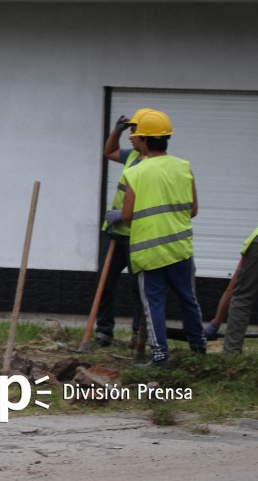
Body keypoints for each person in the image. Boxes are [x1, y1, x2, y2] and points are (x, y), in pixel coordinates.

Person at [122, 110, 205, 368]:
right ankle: (199, 349)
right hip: (180, 249)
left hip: (150, 253)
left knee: (154, 304)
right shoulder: (183, 167)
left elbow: (127, 216)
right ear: (166, 138)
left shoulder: (136, 173)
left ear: (145, 140)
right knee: (187, 298)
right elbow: (193, 210)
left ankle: (159, 357)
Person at [93, 108, 154, 348]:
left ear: (147, 135)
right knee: (104, 283)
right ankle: (104, 331)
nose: (130, 135)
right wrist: (115, 131)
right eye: (129, 129)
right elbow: (108, 152)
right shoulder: (131, 156)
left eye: (134, 130)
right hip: (114, 232)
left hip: (136, 235)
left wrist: (125, 215)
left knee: (138, 288)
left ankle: (138, 334)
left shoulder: (154, 164)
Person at [221, 213, 258, 354]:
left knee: (242, 298)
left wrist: (216, 323)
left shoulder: (256, 242)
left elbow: (232, 289)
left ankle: (231, 353)